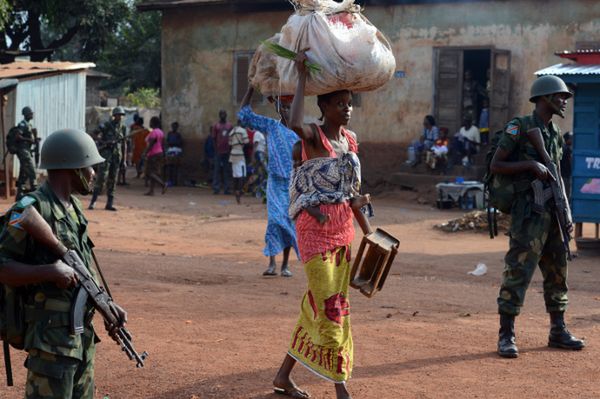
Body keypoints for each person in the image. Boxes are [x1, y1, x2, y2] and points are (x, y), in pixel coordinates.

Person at [270, 50, 374, 399]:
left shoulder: (352, 142)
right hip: (314, 234)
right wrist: (301, 76)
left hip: (344, 231)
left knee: (320, 304)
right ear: (324, 107)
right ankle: (341, 387)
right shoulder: (313, 136)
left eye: (349, 103)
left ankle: (283, 377)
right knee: (332, 307)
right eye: (340, 103)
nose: (346, 108)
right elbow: (292, 120)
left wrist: (371, 235)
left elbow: (352, 193)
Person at [0, 129, 127, 398]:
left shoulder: (74, 208)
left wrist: (105, 304)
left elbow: (83, 268)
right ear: (73, 167)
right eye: (90, 166)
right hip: (50, 344)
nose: (94, 173)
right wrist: (49, 271)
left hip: (81, 340)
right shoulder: (29, 208)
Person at [491, 75, 584, 359]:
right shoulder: (520, 127)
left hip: (552, 212)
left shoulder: (554, 134)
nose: (564, 101)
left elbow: (558, 174)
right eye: (560, 97)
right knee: (518, 271)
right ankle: (506, 334)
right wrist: (530, 164)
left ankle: (558, 329)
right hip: (528, 214)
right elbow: (497, 164)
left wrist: (566, 211)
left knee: (558, 271)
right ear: (544, 98)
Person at [238, 89, 299, 277]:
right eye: (284, 107)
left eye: (290, 107)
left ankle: (285, 265)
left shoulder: (300, 132)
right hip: (274, 182)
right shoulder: (271, 126)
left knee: (289, 223)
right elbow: (244, 116)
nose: (287, 111)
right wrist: (250, 89)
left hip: (292, 184)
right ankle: (272, 263)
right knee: (274, 220)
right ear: (279, 109)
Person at [89, 106, 127, 211]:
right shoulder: (106, 125)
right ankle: (93, 201)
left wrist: (124, 160)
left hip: (116, 156)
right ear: (114, 115)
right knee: (101, 177)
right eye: (118, 115)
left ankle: (109, 204)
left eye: (121, 115)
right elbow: (93, 134)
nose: (120, 117)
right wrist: (103, 142)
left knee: (113, 179)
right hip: (106, 155)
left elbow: (124, 144)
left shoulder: (123, 128)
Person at [15, 106, 40, 200]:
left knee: (23, 173)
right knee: (32, 172)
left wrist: (35, 139)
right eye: (30, 113)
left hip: (27, 151)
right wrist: (29, 139)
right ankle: (36, 195)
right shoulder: (22, 124)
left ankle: (19, 195)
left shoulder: (29, 125)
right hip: (23, 151)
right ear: (26, 114)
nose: (32, 115)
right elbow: (18, 137)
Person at [143, 116, 167, 196]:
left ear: (153, 123)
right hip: (159, 153)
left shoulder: (153, 133)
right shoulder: (161, 132)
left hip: (153, 154)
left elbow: (151, 145)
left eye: (150, 122)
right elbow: (163, 144)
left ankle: (162, 184)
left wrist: (145, 153)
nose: (149, 123)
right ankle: (151, 190)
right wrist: (164, 154)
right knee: (154, 171)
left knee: (149, 172)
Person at [211, 110, 233, 195]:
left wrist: (230, 149)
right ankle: (216, 188)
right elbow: (213, 138)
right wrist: (215, 149)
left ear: (226, 115)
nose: (223, 115)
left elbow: (231, 137)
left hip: (227, 151)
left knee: (226, 170)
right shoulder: (216, 126)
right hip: (218, 151)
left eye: (224, 114)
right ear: (219, 115)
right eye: (221, 114)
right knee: (217, 170)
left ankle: (227, 188)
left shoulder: (229, 126)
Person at [229, 122, 249, 203]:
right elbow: (246, 142)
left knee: (235, 175)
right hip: (240, 155)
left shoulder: (232, 131)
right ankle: (239, 191)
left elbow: (229, 143)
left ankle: (235, 191)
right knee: (242, 175)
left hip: (232, 155)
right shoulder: (243, 131)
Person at [130, 115, 150, 179]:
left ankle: (139, 173)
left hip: (137, 147)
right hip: (142, 147)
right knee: (142, 161)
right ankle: (141, 173)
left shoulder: (135, 128)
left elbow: (131, 137)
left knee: (138, 161)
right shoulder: (145, 130)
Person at [165, 122, 184, 187]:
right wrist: (172, 143)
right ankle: (170, 181)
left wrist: (173, 143)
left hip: (176, 152)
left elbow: (180, 143)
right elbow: (168, 142)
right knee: (170, 167)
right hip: (170, 151)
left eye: (175, 126)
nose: (174, 128)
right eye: (173, 126)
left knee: (175, 167)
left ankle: (174, 181)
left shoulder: (178, 135)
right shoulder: (169, 134)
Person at [561, 131, 573, 201]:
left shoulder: (561, 147)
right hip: (566, 176)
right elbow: (570, 162)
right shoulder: (567, 149)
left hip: (562, 175)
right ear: (567, 139)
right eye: (571, 138)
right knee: (566, 196)